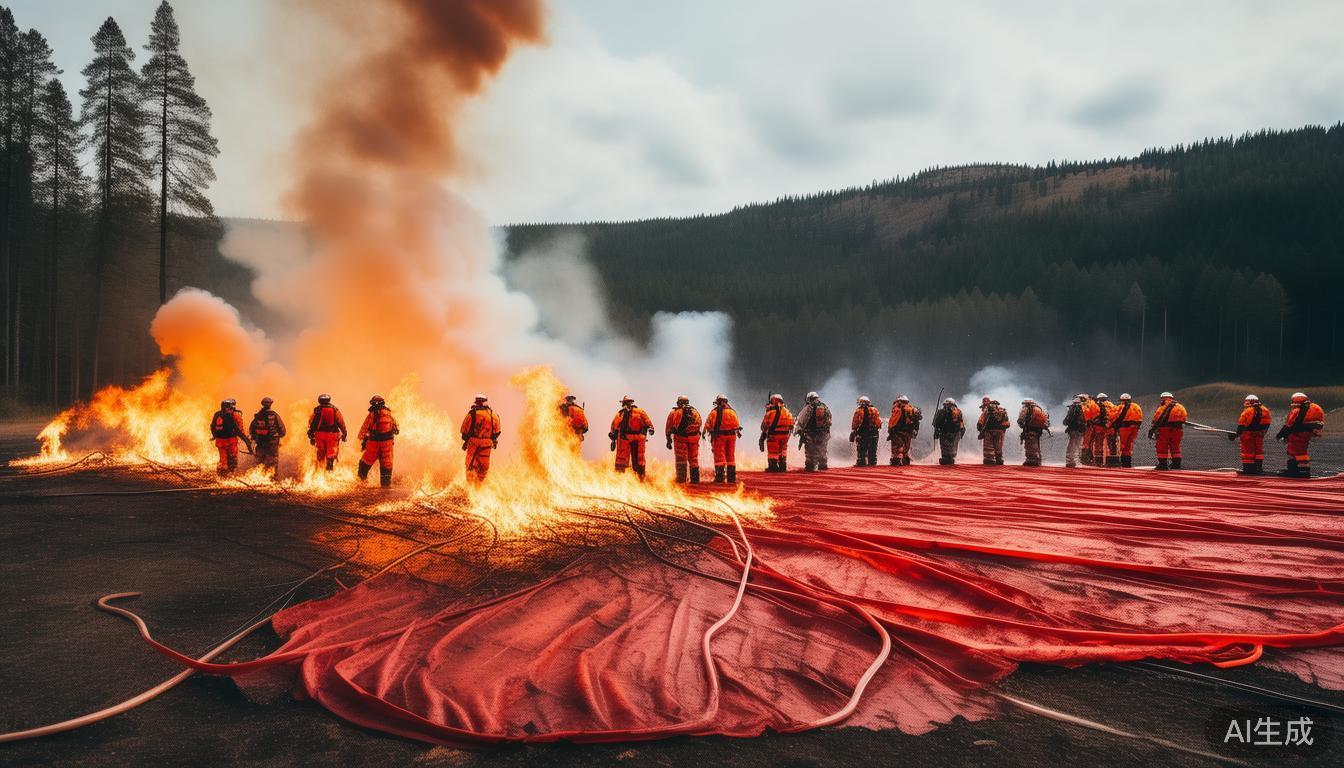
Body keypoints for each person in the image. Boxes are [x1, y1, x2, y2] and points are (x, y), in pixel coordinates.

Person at [1275, 392, 1326, 478]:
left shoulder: (1297, 411)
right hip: (1309, 433)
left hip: (1298, 433)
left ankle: (1293, 470)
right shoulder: (1316, 407)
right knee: (1302, 451)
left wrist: (1280, 435)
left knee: (1294, 451)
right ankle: (1304, 470)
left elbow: (1289, 425)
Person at [358, 395, 399, 488]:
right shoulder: (389, 413)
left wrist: (361, 439)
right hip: (388, 444)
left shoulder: (373, 413)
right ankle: (385, 486)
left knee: (364, 463)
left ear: (374, 403)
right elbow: (396, 429)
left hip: (374, 443)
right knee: (386, 464)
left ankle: (361, 482)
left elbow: (365, 427)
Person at [609, 396, 655, 478]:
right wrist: (613, 437)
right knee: (629, 459)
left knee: (635, 459)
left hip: (632, 439)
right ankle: (624, 476)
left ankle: (637, 477)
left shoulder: (626, 413)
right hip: (629, 439)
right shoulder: (622, 413)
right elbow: (615, 425)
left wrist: (650, 428)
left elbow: (614, 426)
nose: (626, 404)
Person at [460, 395, 501, 484]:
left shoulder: (473, 413)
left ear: (478, 402)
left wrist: (466, 440)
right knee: (483, 470)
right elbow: (497, 432)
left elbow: (464, 431)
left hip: (474, 444)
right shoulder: (494, 415)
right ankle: (480, 491)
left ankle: (470, 491)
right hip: (487, 445)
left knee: (470, 467)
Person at [703, 394, 741, 484]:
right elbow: (737, 425)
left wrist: (704, 432)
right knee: (731, 457)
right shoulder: (732, 412)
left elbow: (708, 424)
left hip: (719, 437)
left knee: (719, 457)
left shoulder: (714, 412)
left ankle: (720, 477)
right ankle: (731, 478)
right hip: (732, 437)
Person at [1229, 394, 1271, 475]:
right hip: (1260, 434)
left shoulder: (1247, 411)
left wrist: (1236, 434)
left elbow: (1241, 425)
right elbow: (1267, 423)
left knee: (1247, 452)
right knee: (1258, 452)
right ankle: (1258, 468)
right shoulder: (1265, 410)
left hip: (1248, 435)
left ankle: (1248, 469)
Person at [665, 396, 703, 484]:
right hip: (694, 438)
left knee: (681, 459)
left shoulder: (674, 412)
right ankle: (695, 479)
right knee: (693, 459)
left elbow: (668, 426)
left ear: (678, 402)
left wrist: (668, 439)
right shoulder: (695, 411)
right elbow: (699, 423)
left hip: (680, 439)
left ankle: (681, 479)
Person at [307, 394, 347, 471]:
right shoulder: (335, 410)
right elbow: (341, 423)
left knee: (320, 455)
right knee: (331, 455)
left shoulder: (316, 410)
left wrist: (311, 435)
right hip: (333, 435)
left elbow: (311, 422)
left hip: (319, 435)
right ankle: (329, 472)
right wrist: (344, 433)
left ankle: (319, 472)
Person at [209, 398, 250, 476]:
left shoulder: (217, 414)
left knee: (223, 460)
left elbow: (212, 426)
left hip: (220, 441)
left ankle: (222, 475)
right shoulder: (236, 415)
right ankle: (230, 474)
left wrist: (214, 436)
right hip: (231, 441)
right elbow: (240, 430)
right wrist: (247, 441)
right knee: (232, 458)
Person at [249, 396, 286, 480]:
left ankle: (259, 475)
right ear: (271, 404)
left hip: (261, 441)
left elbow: (252, 428)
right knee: (273, 458)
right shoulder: (274, 414)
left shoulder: (258, 415)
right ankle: (272, 477)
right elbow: (282, 429)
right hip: (272, 441)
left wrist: (254, 437)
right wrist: (279, 436)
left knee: (260, 458)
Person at [1148, 392, 1188, 470]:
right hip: (1178, 430)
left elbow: (1156, 420)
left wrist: (1153, 430)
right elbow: (1184, 418)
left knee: (1162, 446)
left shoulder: (1162, 408)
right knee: (1175, 447)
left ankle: (1162, 465)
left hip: (1164, 429)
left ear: (1163, 399)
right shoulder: (1180, 407)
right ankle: (1176, 465)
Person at [794, 391, 832, 471]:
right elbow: (829, 420)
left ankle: (810, 466)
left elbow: (801, 420)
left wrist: (798, 430)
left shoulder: (808, 407)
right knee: (822, 450)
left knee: (810, 451)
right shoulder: (825, 407)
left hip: (810, 433)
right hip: (823, 433)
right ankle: (823, 465)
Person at [759, 394, 795, 472]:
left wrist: (763, 436)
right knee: (783, 451)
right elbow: (792, 423)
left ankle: (773, 467)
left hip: (774, 435)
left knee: (773, 452)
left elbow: (763, 426)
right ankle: (783, 466)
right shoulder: (787, 411)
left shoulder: (771, 412)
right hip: (785, 435)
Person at [1111, 394, 1143, 468]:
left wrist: (1113, 426)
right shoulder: (1136, 406)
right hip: (1135, 428)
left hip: (1124, 427)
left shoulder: (1120, 407)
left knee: (1122, 445)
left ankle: (1123, 463)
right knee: (1129, 444)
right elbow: (1140, 416)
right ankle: (1128, 463)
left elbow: (1115, 416)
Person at [887, 395, 921, 466]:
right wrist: (915, 430)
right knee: (906, 447)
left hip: (897, 431)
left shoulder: (896, 409)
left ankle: (896, 461)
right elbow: (917, 420)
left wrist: (890, 430)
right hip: (908, 432)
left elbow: (893, 421)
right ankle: (905, 460)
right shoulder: (911, 409)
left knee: (897, 447)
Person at [850, 396, 882, 466]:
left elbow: (855, 422)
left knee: (861, 449)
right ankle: (872, 462)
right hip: (873, 432)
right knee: (872, 449)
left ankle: (861, 462)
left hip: (862, 433)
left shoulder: (858, 410)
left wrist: (854, 430)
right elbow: (879, 422)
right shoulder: (875, 410)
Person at [976, 397, 1009, 465]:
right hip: (1000, 431)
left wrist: (980, 430)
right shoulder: (1002, 410)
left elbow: (980, 421)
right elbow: (1007, 423)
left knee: (988, 446)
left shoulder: (987, 410)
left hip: (989, 430)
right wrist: (1002, 429)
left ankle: (989, 460)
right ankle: (999, 459)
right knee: (998, 446)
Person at [931, 397, 965, 465]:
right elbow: (961, 422)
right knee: (953, 447)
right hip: (956, 433)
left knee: (945, 449)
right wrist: (961, 431)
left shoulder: (941, 411)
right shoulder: (958, 411)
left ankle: (946, 459)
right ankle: (951, 458)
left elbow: (936, 423)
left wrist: (937, 430)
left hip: (944, 433)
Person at [1018, 398, 1049, 466]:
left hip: (1030, 429)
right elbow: (1046, 419)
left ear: (1026, 403)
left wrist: (1021, 424)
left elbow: (1021, 419)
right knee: (1036, 444)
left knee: (1030, 445)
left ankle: (1031, 460)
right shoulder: (1039, 408)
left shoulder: (1026, 408)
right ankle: (1038, 460)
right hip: (1038, 430)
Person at [1089, 393, 1117, 467]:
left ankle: (1098, 462)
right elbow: (1116, 416)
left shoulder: (1096, 405)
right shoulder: (1112, 405)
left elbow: (1093, 416)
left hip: (1099, 427)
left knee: (1098, 444)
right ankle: (1113, 462)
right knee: (1112, 445)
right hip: (1110, 427)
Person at [1062, 394, 1088, 468]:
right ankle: (1077, 460)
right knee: (1078, 445)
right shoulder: (1084, 408)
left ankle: (1070, 461)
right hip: (1080, 430)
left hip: (1072, 429)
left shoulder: (1071, 408)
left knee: (1071, 445)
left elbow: (1066, 420)